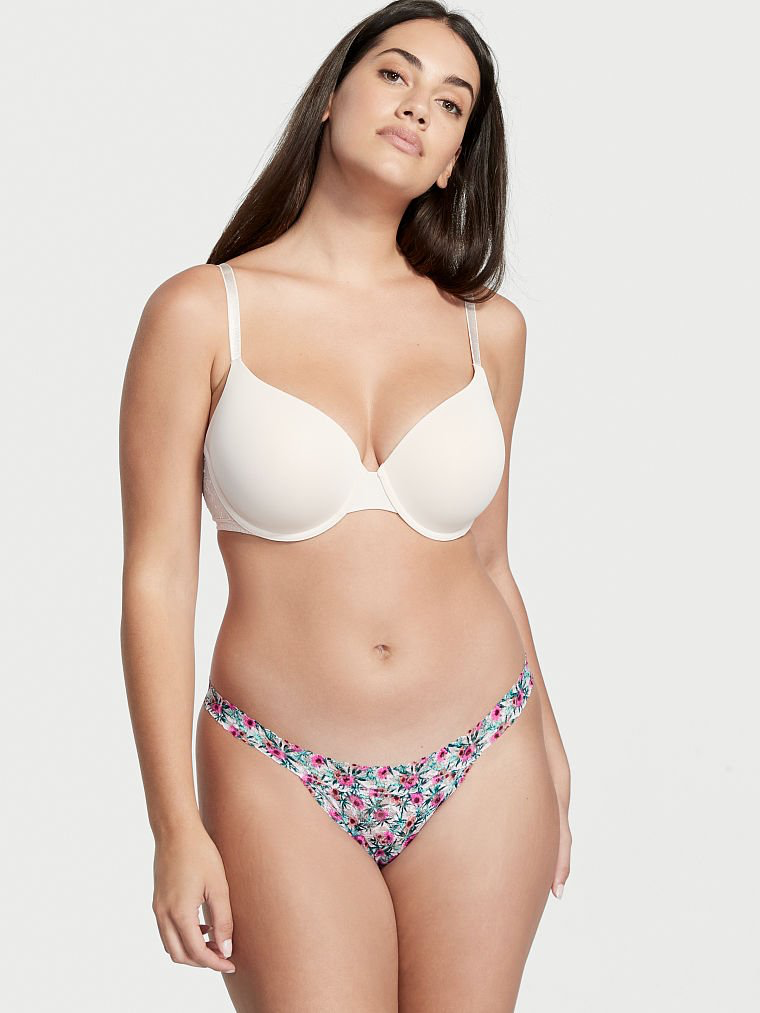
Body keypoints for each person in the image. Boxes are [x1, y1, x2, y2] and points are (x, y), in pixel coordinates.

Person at [119, 2, 572, 1009]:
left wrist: (547, 743)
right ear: (332, 97)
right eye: (395, 75)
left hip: (484, 751)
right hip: (276, 765)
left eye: (450, 104)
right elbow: (158, 576)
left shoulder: (490, 331)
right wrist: (173, 824)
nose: (417, 107)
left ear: (454, 161)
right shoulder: (200, 312)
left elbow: (489, 561)